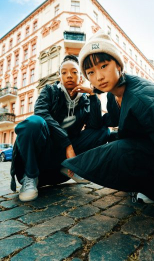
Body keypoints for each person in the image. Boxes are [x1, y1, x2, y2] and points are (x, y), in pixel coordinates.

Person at [62, 30, 154, 242]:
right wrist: (92, 94)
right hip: (151, 145)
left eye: (104, 66)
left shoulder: (145, 99)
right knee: (111, 140)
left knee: (118, 152)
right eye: (91, 72)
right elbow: (102, 122)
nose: (99, 76)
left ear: (118, 65)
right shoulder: (113, 95)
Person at [10, 54, 109, 202]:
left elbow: (94, 127)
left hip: (64, 154)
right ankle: (30, 176)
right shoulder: (49, 91)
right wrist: (67, 144)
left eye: (74, 72)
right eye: (64, 72)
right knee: (33, 123)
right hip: (46, 148)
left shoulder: (84, 101)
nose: (69, 76)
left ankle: (69, 167)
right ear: (60, 76)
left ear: (80, 77)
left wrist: (93, 95)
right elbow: (41, 113)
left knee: (103, 131)